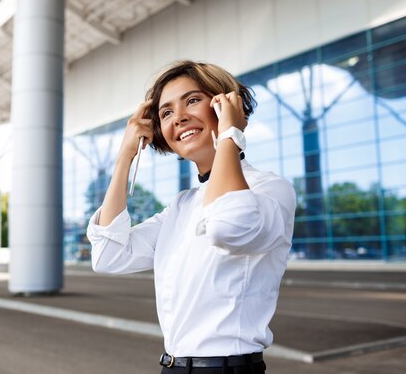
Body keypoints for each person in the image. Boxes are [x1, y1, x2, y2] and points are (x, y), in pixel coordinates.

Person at [86, 60, 296, 374]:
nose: (180, 116)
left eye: (193, 100)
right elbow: (108, 255)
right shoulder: (181, 206)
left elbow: (227, 225)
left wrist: (230, 135)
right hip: (172, 367)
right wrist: (125, 157)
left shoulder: (270, 189)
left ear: (226, 105)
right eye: (166, 112)